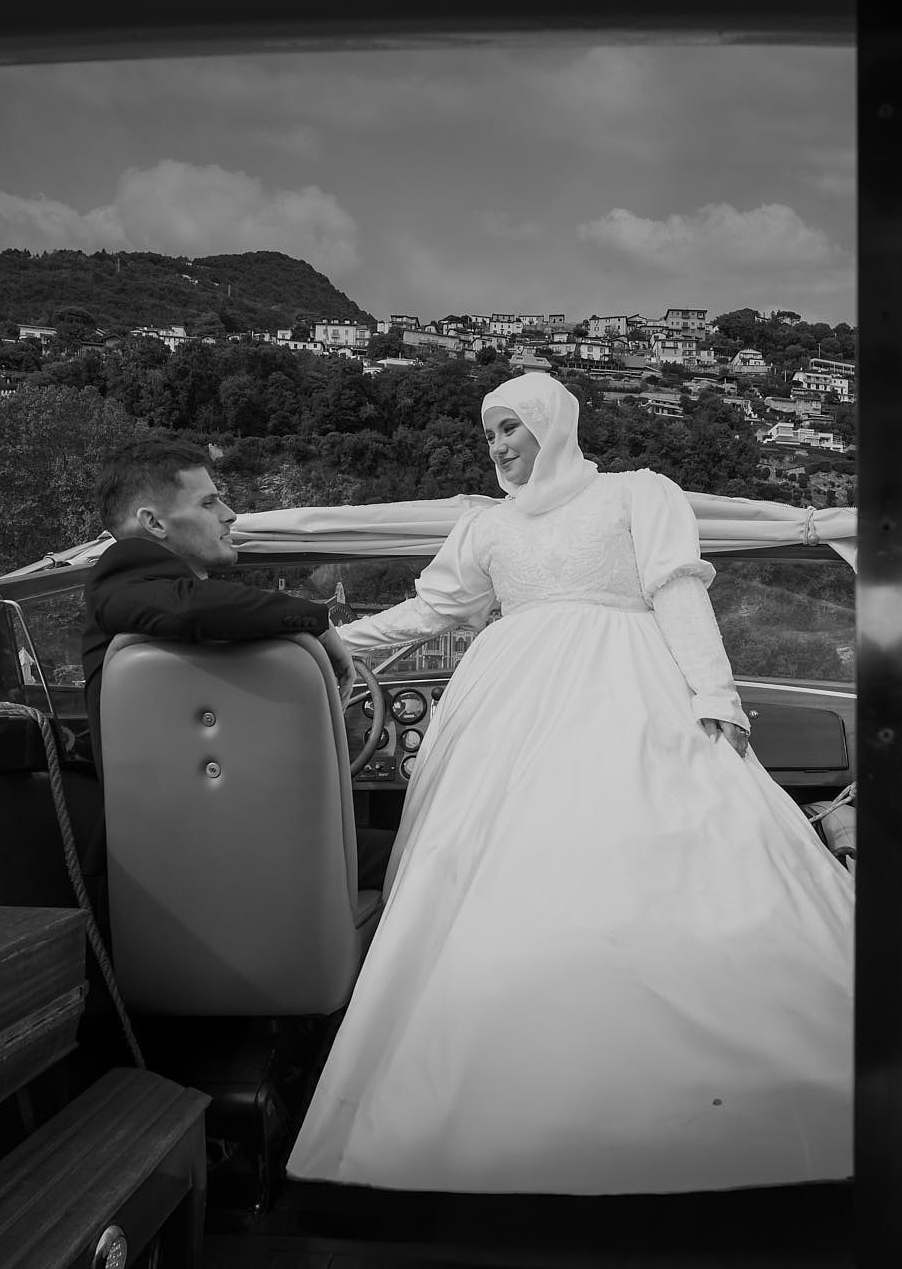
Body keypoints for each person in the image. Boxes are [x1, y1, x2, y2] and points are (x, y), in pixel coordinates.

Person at [284, 372, 854, 1195]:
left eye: (510, 427)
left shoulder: (638, 493)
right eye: (490, 434)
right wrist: (328, 635)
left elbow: (676, 590)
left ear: (551, 424)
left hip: (634, 691)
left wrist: (716, 696)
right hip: (508, 712)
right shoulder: (485, 526)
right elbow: (428, 613)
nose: (498, 445)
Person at [80, 439, 395, 892]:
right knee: (427, 858)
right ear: (153, 522)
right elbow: (186, 608)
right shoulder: (121, 578)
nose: (229, 515)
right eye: (208, 503)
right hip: (183, 853)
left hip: (214, 841)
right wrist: (318, 621)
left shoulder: (181, 601)